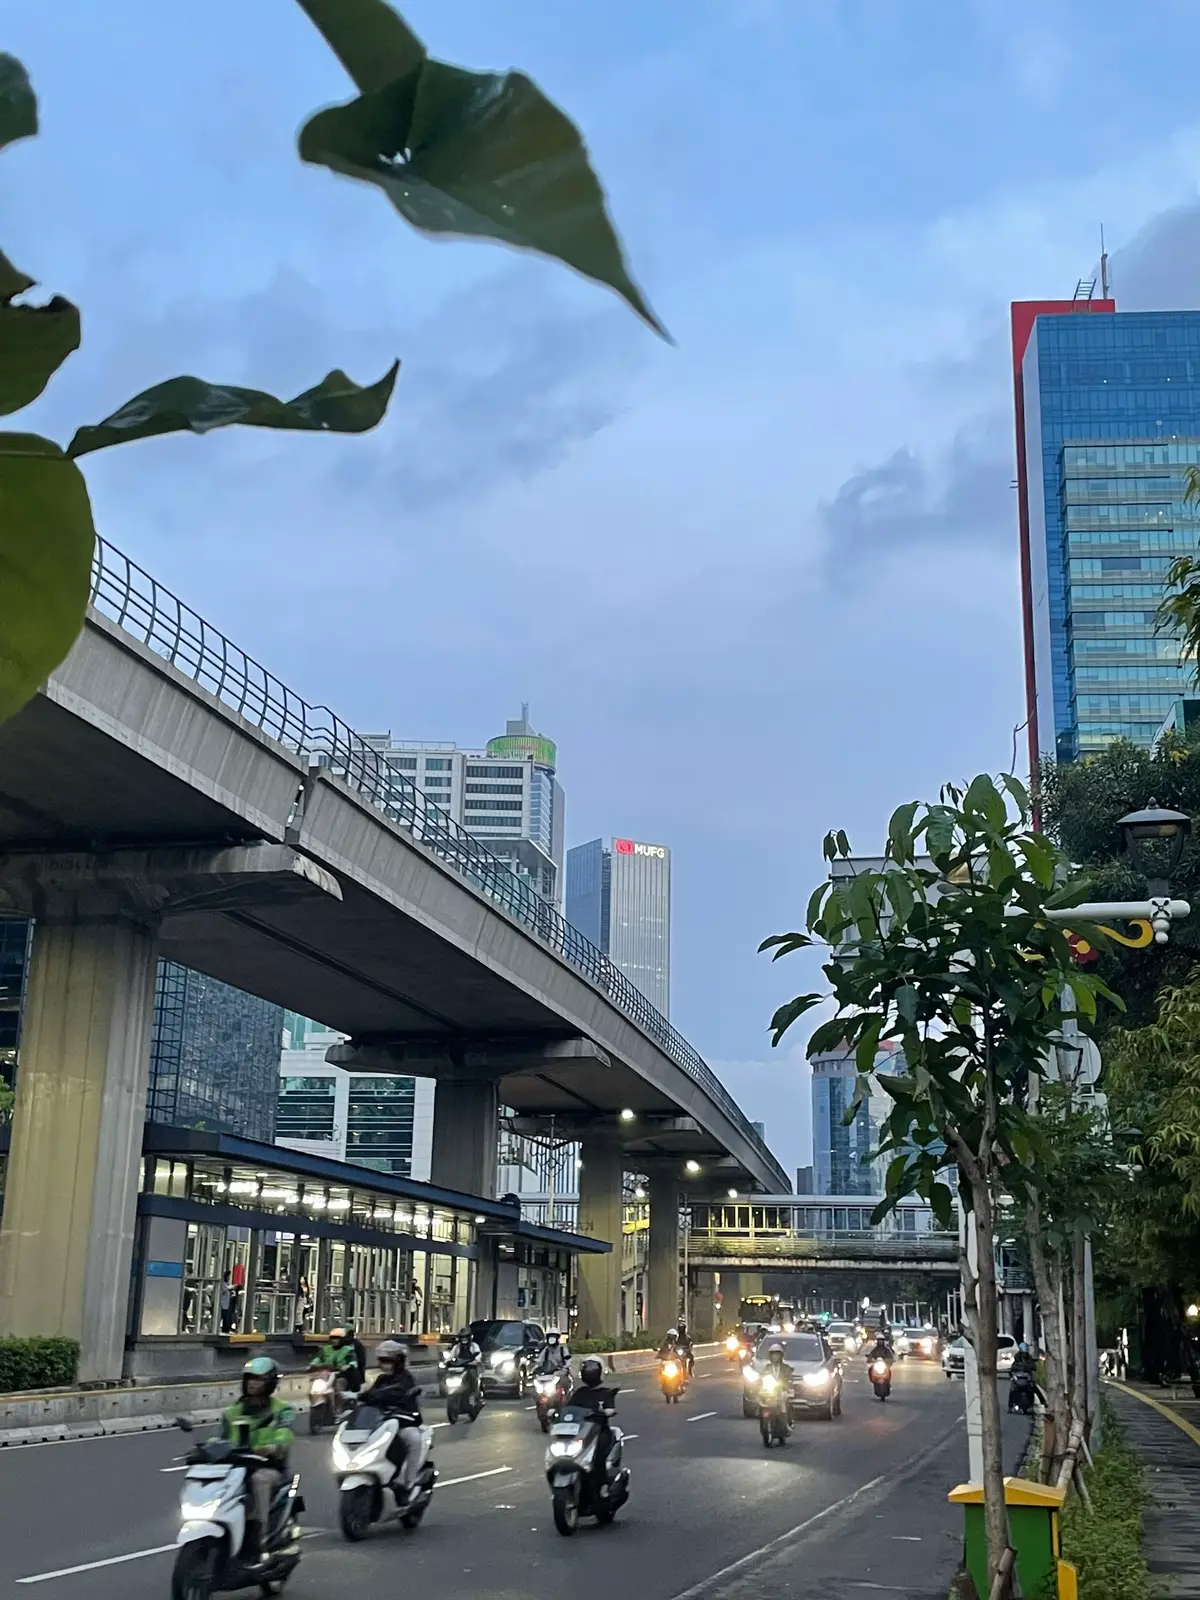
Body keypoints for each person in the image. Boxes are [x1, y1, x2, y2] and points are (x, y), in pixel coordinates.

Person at [219, 1356, 295, 1567]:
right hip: (236, 1468)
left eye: (259, 1379)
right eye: (250, 1378)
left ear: (270, 1383)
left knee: (259, 1480)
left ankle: (261, 1535)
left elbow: (285, 1434)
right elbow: (222, 1438)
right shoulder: (231, 1412)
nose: (253, 1383)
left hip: (268, 1467)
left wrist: (273, 1447)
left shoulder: (282, 1410)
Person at [359, 1338, 424, 1503]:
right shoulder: (381, 1379)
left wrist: (372, 1395)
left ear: (398, 1361)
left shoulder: (406, 1379)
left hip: (404, 1422)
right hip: (381, 1423)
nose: (383, 1365)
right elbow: (369, 1396)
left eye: (387, 1361)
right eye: (381, 1361)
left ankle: (409, 1483)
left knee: (414, 1439)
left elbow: (394, 1392)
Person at [564, 1357, 620, 1494]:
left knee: (598, 1454)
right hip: (580, 1431)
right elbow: (568, 1408)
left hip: (599, 1431)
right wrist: (556, 1413)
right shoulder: (580, 1393)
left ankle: (603, 1486)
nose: (589, 1372)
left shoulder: (606, 1393)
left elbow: (610, 1408)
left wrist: (607, 1411)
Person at [309, 1327, 358, 1410]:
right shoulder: (326, 1349)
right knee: (313, 1387)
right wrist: (312, 1365)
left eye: (337, 1339)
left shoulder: (348, 1350)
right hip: (326, 1374)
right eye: (333, 1338)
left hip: (341, 1375)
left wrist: (348, 1366)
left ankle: (338, 1409)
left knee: (338, 1388)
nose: (334, 1341)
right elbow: (318, 1358)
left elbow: (353, 1361)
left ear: (342, 1340)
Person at [445, 1326, 483, 1408]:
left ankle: (475, 1395)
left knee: (473, 1377)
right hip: (459, 1368)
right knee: (447, 1376)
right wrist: (447, 1362)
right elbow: (451, 1356)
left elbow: (478, 1355)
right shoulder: (456, 1347)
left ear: (470, 1337)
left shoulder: (474, 1346)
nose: (464, 1339)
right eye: (462, 1338)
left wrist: (475, 1361)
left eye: (466, 1337)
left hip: (470, 1367)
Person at [762, 1342, 794, 1423]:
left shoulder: (786, 1368)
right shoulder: (767, 1367)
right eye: (773, 1354)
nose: (775, 1356)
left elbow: (789, 1377)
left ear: (781, 1356)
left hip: (781, 1390)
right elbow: (763, 1377)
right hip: (770, 1390)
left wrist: (786, 1383)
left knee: (784, 1399)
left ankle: (786, 1420)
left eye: (777, 1354)